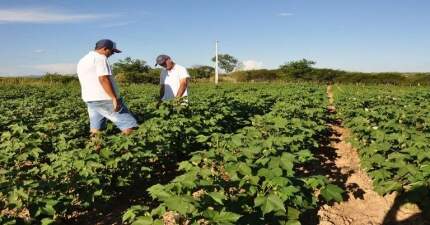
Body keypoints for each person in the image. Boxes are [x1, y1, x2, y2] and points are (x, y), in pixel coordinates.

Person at [77, 39, 137, 135]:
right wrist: (114, 98)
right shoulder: (101, 58)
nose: (113, 54)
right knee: (129, 126)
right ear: (105, 49)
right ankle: (129, 149)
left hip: (90, 99)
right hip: (104, 98)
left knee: (96, 130)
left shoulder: (83, 60)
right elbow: (103, 79)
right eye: (112, 51)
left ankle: (95, 149)